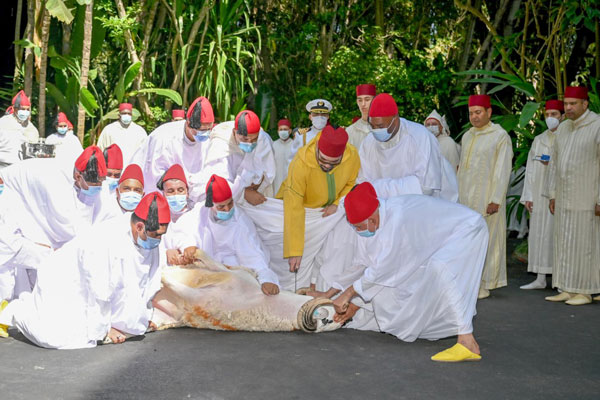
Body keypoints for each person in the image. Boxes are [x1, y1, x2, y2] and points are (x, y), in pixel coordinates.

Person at [330, 182, 487, 362]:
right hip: (445, 239)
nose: (358, 232)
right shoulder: (383, 215)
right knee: (421, 277)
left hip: (468, 228)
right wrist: (350, 300)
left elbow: (382, 269)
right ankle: (456, 332)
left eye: (358, 227)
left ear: (371, 220)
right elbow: (379, 270)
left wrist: (348, 295)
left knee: (442, 269)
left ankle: (467, 342)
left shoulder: (397, 219)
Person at [0, 192, 170, 348]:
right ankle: (15, 310)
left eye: (162, 235)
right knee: (53, 338)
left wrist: (142, 316)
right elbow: (98, 290)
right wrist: (104, 330)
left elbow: (145, 282)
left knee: (133, 328)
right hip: (67, 282)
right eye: (156, 235)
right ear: (139, 227)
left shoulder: (148, 238)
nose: (158, 240)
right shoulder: (106, 240)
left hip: (95, 290)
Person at [172, 174, 280, 295]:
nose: (228, 209)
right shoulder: (199, 213)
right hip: (205, 272)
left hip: (233, 273)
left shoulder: (240, 222)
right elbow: (180, 230)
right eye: (221, 207)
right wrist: (188, 245)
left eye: (230, 204)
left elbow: (254, 255)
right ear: (210, 205)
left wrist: (266, 279)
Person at [277, 125, 360, 277]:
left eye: (333, 163)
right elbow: (294, 205)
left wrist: (336, 204)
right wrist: (294, 250)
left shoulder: (352, 156)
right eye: (322, 160)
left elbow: (351, 184)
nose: (327, 166)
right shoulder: (301, 162)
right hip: (298, 210)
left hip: (326, 212)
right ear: (316, 149)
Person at [546, 86, 600, 305]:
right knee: (565, 242)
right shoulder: (564, 128)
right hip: (564, 197)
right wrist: (552, 194)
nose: (567, 108)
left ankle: (585, 290)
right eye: (566, 104)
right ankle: (567, 287)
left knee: (585, 244)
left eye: (573, 104)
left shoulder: (596, 126)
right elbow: (554, 164)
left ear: (585, 104)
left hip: (586, 196)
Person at [457, 94, 513, 299]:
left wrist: (496, 199)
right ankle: (471, 281)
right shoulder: (468, 135)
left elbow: (503, 169)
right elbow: (463, 169)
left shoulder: (499, 136)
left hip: (487, 200)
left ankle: (485, 284)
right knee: (469, 240)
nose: (474, 116)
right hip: (466, 199)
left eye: (478, 112)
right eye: (471, 113)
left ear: (489, 112)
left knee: (487, 240)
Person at [358, 93, 458, 201]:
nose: (376, 130)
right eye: (372, 126)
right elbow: (362, 183)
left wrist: (378, 187)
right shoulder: (368, 143)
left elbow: (426, 187)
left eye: (380, 126)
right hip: (388, 208)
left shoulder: (420, 137)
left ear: (395, 120)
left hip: (430, 204)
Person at [131, 97, 214, 203]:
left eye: (208, 129)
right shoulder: (164, 137)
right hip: (165, 198)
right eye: (202, 130)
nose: (205, 133)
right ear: (188, 124)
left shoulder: (209, 140)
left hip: (193, 200)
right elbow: (154, 176)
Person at [520, 100, 564, 290]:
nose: (550, 118)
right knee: (539, 234)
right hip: (539, 193)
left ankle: (561, 279)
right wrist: (528, 196)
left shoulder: (567, 137)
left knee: (558, 234)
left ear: (562, 116)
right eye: (547, 115)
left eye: (554, 114)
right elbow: (530, 168)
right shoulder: (539, 139)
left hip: (558, 194)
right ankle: (540, 277)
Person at [201, 110, 276, 205]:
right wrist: (243, 194)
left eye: (254, 139)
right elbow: (216, 181)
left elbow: (268, 172)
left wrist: (256, 186)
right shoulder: (220, 143)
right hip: (226, 201)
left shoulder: (262, 138)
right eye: (245, 139)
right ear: (234, 132)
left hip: (256, 195)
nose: (249, 143)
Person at [0, 90, 39, 169]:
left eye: (27, 110)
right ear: (14, 109)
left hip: (20, 168)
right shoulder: (3, 123)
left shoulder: (31, 128)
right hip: (2, 166)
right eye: (22, 109)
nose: (25, 112)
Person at [346, 84, 376, 149]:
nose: (363, 104)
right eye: (360, 100)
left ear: (375, 101)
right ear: (357, 102)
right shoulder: (350, 131)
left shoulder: (383, 129)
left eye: (367, 100)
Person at [272, 119, 294, 193]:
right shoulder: (273, 145)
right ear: (278, 131)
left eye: (285, 129)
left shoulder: (295, 145)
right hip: (276, 181)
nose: (282, 131)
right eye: (281, 129)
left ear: (290, 131)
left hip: (291, 182)